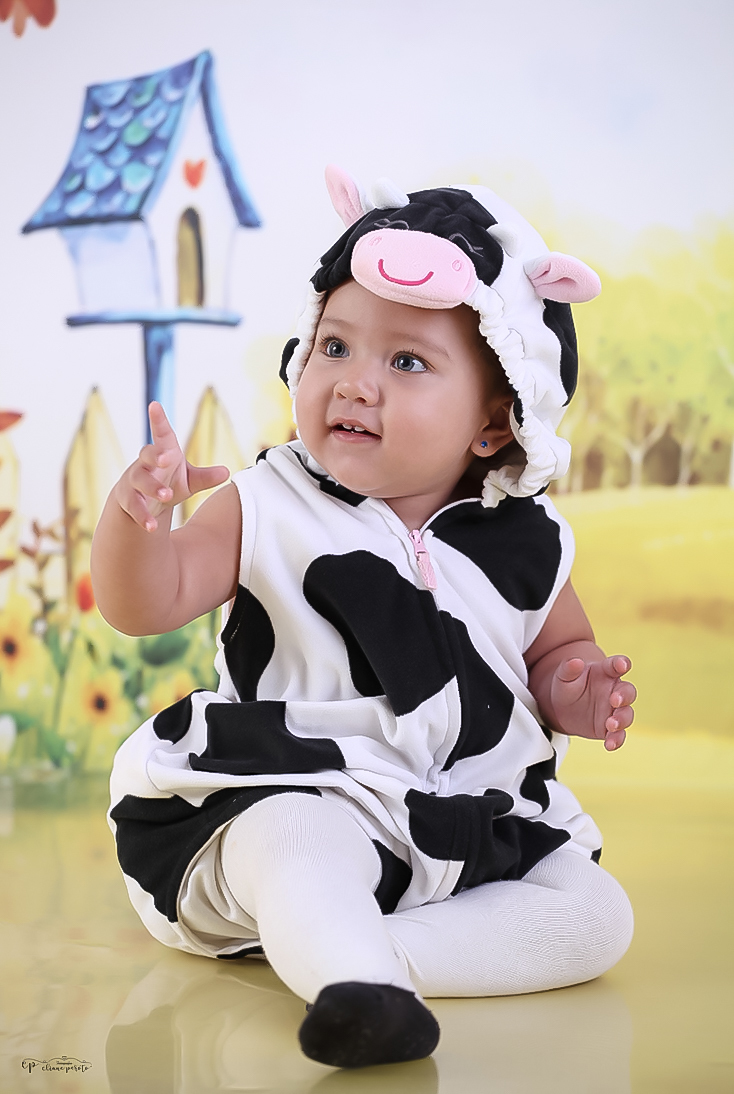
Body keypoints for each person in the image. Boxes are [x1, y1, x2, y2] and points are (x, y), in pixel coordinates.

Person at [92, 167, 636, 1070]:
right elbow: (143, 602)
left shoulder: (528, 541)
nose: (352, 384)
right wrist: (136, 524)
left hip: (460, 823)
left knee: (595, 915)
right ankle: (346, 967)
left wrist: (575, 687)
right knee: (297, 841)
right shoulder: (268, 501)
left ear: (495, 423)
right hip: (292, 788)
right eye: (335, 347)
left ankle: (372, 968)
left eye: (406, 362)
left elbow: (558, 650)